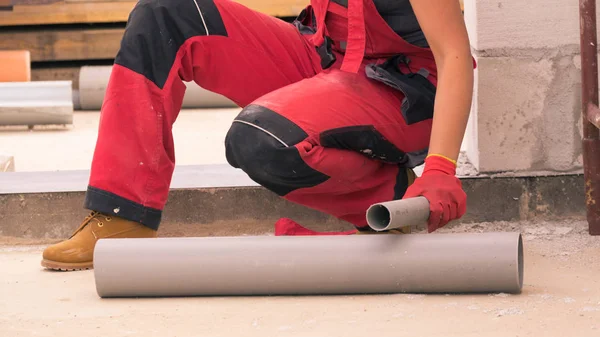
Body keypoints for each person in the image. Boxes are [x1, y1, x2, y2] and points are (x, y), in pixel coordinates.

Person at [41, 0, 474, 271]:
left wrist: (440, 167)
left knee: (261, 140)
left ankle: (383, 194)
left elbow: (453, 52)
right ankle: (122, 214)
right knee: (166, 14)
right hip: (325, 59)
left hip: (403, 92)